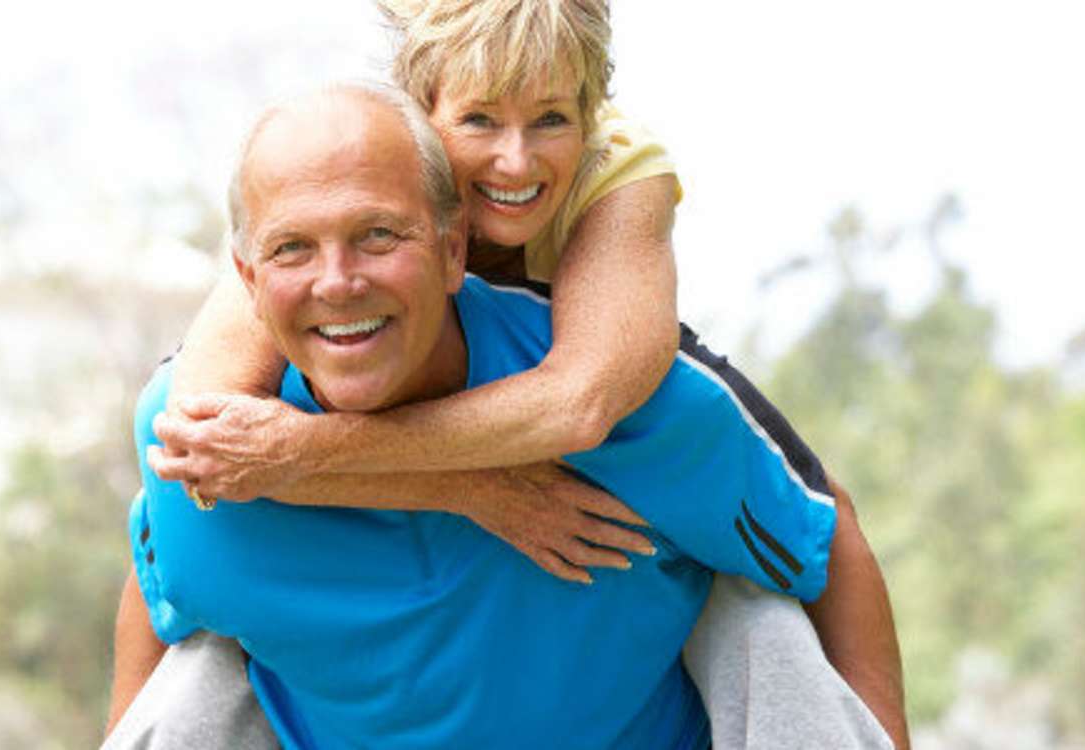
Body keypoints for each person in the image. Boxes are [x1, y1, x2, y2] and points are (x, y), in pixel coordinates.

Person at [115, 0, 909, 746]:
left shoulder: (617, 185)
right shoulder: (340, 189)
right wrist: (469, 488)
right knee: (203, 656)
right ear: (422, 110)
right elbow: (198, 460)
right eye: (481, 120)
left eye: (551, 118)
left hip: (591, 421)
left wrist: (308, 453)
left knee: (755, 614)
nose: (515, 157)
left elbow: (582, 404)